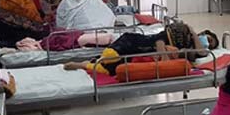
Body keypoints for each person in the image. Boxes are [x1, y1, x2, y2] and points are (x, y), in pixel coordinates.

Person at [63, 24, 218, 75]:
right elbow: (160, 40)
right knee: (111, 57)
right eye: (208, 38)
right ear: (204, 33)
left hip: (140, 51)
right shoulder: (184, 30)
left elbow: (202, 53)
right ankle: (85, 64)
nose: (207, 43)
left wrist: (196, 38)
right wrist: (192, 30)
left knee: (112, 67)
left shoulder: (193, 49)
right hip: (136, 42)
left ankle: (83, 64)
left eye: (210, 44)